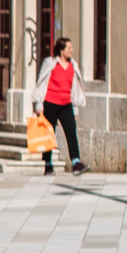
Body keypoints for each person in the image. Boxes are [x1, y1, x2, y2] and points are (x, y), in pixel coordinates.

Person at [33, 37, 88, 175]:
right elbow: (41, 83)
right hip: (50, 104)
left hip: (66, 104)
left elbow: (75, 88)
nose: (71, 50)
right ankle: (48, 164)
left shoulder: (73, 65)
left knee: (71, 133)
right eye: (69, 48)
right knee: (48, 135)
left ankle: (76, 163)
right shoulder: (50, 63)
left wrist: (75, 108)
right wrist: (39, 105)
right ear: (61, 50)